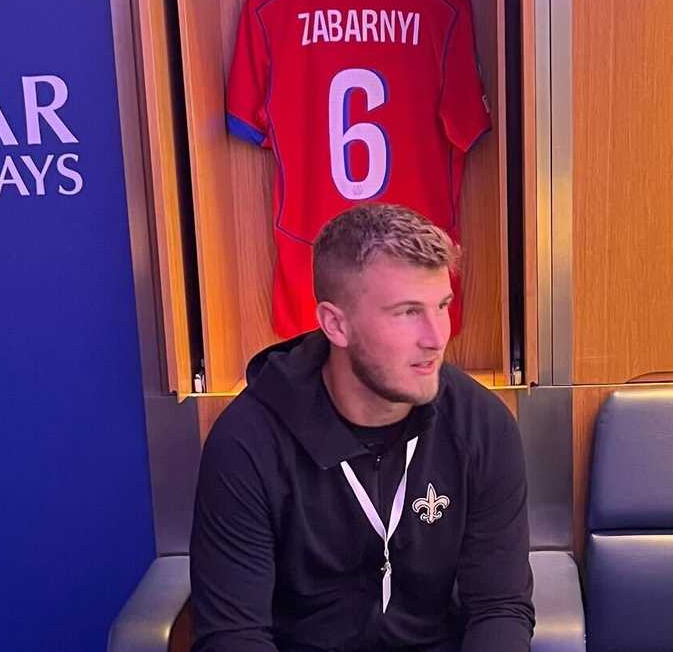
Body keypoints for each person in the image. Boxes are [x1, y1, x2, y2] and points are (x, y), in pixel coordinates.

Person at [189, 204, 534, 651]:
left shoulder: (482, 426)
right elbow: (234, 636)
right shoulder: (247, 443)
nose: (436, 338)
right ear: (336, 324)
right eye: (407, 312)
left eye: (442, 306)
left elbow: (499, 607)